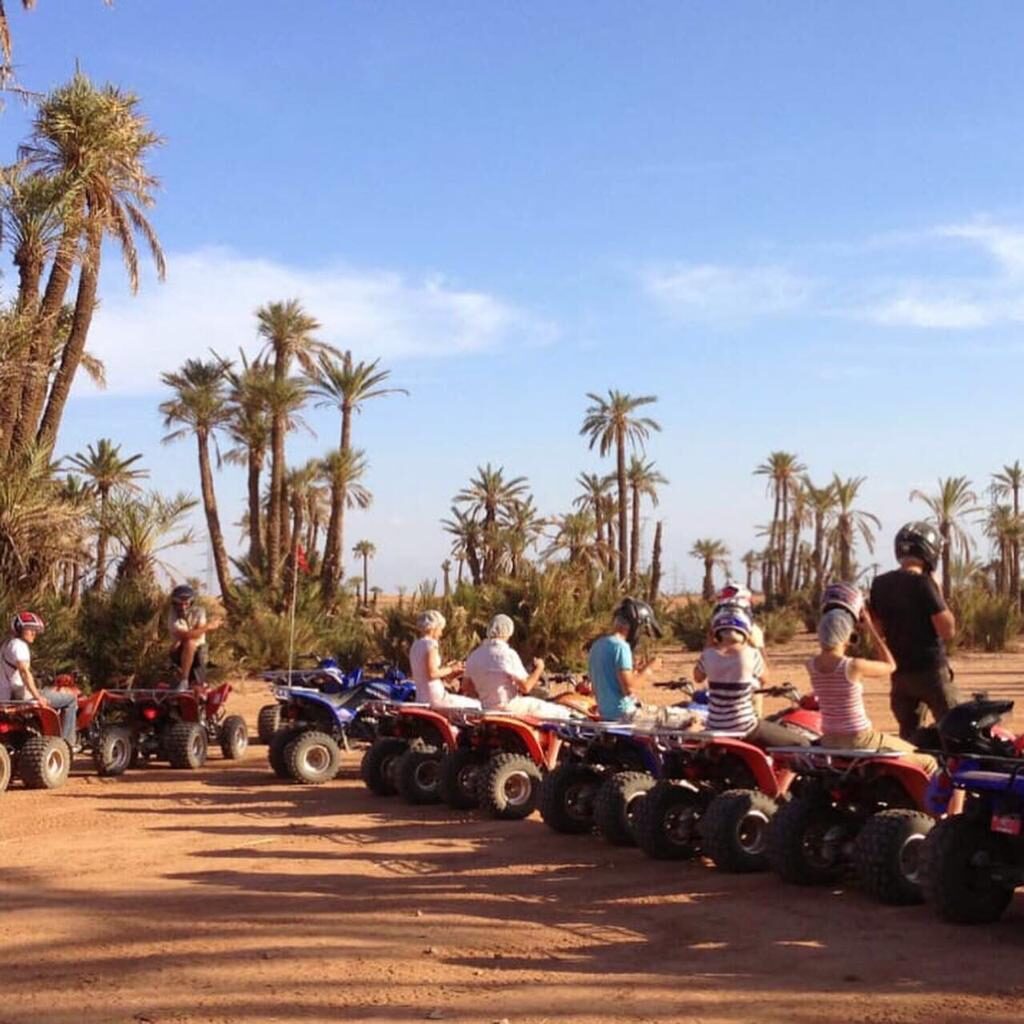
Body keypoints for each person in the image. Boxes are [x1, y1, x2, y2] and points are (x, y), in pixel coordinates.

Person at [808, 600, 937, 774]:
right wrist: (870, 628)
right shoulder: (853, 666)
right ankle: (929, 801)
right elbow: (890, 666)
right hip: (859, 738)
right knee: (925, 759)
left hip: (829, 739)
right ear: (847, 636)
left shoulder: (811, 665)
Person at [869, 522, 959, 741]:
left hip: (900, 674)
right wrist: (938, 593)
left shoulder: (879, 584)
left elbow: (877, 628)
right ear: (930, 550)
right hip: (931, 672)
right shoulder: (923, 583)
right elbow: (947, 630)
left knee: (909, 737)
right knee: (954, 729)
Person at [693, 606, 810, 747]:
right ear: (745, 630)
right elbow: (764, 678)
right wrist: (754, 644)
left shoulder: (708, 655)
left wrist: (709, 644)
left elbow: (698, 677)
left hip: (715, 725)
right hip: (744, 727)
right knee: (802, 743)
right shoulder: (750, 654)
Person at [463, 614, 576, 720]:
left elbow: (467, 687)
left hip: (486, 708)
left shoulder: (474, 656)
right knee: (560, 712)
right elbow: (526, 687)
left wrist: (486, 695)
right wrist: (539, 669)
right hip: (510, 708)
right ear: (508, 632)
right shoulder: (507, 654)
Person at [0, 612, 77, 746]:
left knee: (45, 690)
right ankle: (67, 744)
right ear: (19, 629)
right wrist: (37, 697)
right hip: (21, 696)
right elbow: (24, 672)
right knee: (71, 699)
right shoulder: (19, 646)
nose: (33, 633)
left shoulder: (6, 644)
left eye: (35, 629)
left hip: (5, 696)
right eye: (30, 629)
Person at [588, 597, 664, 721]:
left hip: (605, 714)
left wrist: (635, 672)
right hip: (624, 714)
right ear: (635, 626)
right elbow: (629, 688)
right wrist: (649, 668)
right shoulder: (621, 646)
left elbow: (609, 680)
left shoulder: (597, 645)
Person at [408, 610, 481, 710]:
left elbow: (426, 673)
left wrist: (447, 670)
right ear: (434, 628)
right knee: (478, 705)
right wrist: (452, 668)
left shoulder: (415, 645)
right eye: (440, 629)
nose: (441, 633)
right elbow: (432, 674)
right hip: (436, 698)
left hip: (421, 697)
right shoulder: (430, 644)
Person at [167, 584, 223, 691]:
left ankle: (194, 684)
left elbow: (197, 634)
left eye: (185, 603)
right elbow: (187, 635)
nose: (182, 607)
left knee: (199, 686)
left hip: (199, 651)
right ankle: (184, 680)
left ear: (191, 603)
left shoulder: (199, 611)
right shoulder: (172, 614)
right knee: (189, 643)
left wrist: (195, 632)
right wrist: (208, 627)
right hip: (179, 651)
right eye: (179, 604)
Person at [713, 582, 765, 649]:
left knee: (710, 637)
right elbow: (751, 620)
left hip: (721, 628)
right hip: (742, 631)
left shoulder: (721, 605)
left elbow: (713, 619)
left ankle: (704, 658)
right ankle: (762, 657)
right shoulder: (745, 604)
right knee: (757, 637)